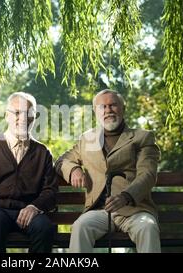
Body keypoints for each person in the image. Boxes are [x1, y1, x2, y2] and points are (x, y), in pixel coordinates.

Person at [55, 89, 161, 253]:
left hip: (135, 210)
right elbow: (62, 160)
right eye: (102, 107)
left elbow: (147, 174)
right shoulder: (87, 139)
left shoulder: (142, 137)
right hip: (99, 211)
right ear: (96, 112)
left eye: (113, 105)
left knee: (148, 227)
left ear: (123, 108)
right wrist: (74, 170)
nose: (108, 110)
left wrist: (126, 196)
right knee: (80, 226)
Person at [0, 91, 58, 253]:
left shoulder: (43, 153)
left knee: (44, 227)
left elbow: (50, 190)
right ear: (6, 116)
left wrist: (34, 207)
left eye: (28, 114)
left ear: (34, 117)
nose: (22, 118)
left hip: (29, 211)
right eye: (17, 113)